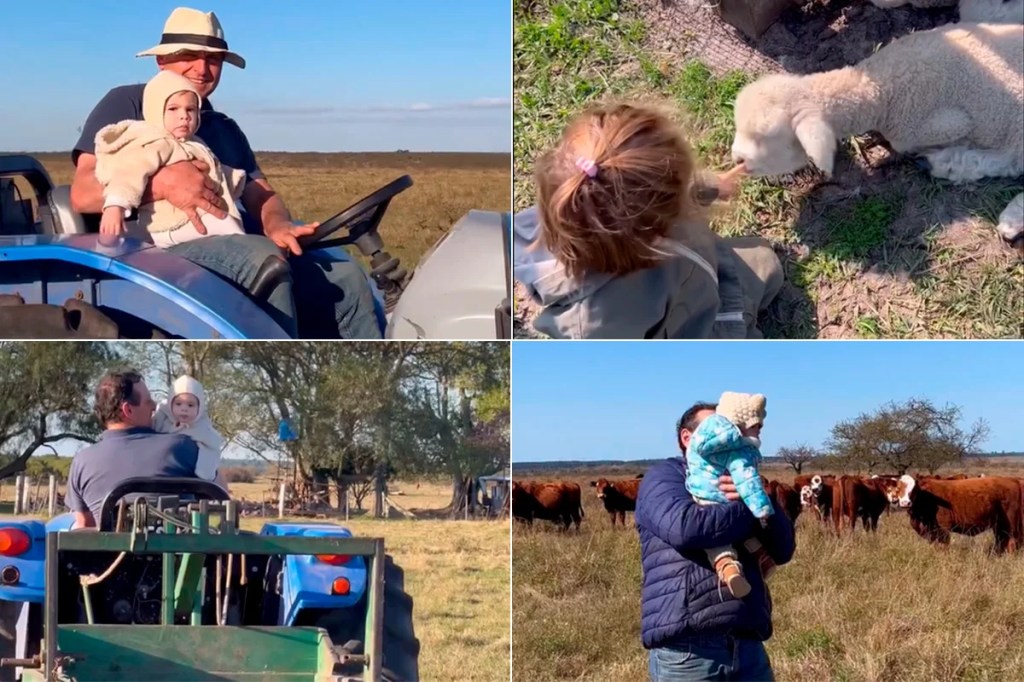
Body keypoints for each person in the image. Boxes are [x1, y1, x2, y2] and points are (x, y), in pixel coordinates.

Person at [70, 7, 381, 339]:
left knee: (345, 276)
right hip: (155, 249)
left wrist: (276, 223)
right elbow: (82, 193)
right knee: (261, 259)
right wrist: (162, 185)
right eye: (190, 55)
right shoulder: (127, 103)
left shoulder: (223, 128)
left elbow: (260, 192)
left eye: (213, 59)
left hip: (230, 242)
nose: (202, 69)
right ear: (161, 60)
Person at [513, 101, 783, 339]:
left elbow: (642, 188)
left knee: (765, 261)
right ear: (650, 226)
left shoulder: (586, 201)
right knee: (766, 274)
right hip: (686, 326)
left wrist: (710, 186)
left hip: (695, 275)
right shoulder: (596, 326)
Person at [635, 401, 796, 682]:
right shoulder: (664, 477)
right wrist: (746, 506)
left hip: (747, 642)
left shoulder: (740, 476)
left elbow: (783, 550)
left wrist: (761, 499)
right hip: (689, 647)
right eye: (715, 426)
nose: (726, 435)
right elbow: (686, 529)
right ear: (687, 438)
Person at [95, 70, 247, 245]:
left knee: (231, 221)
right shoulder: (158, 144)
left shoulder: (195, 143)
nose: (184, 116)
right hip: (170, 224)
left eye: (190, 109)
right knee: (228, 226)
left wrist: (234, 178)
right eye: (173, 109)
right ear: (156, 111)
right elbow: (130, 173)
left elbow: (213, 168)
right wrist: (115, 206)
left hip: (190, 218)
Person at [65, 369, 201, 529]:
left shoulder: (82, 462)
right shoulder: (182, 446)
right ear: (128, 410)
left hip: (112, 546)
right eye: (148, 401)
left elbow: (85, 527)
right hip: (175, 545)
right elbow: (220, 497)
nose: (154, 406)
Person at [685, 392, 777, 600]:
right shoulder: (736, 451)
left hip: (700, 494)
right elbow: (748, 482)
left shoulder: (700, 454)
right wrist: (762, 508)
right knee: (717, 541)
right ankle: (728, 568)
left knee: (734, 532)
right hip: (718, 499)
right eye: (757, 426)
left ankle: (753, 559)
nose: (760, 431)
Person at [152, 375, 228, 490]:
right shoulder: (161, 421)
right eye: (178, 404)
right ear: (170, 404)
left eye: (190, 405)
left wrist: (205, 471)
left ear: (199, 407)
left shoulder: (202, 428)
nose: (184, 409)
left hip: (190, 481)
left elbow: (213, 446)